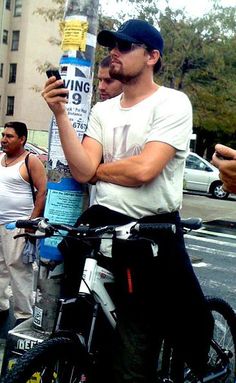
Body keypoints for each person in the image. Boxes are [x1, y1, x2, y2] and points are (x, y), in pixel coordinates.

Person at [42, 19, 213, 383]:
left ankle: (199, 368)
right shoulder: (103, 111)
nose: (113, 53)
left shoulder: (172, 102)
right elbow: (83, 166)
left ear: (152, 56)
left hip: (154, 230)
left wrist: (99, 169)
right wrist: (60, 114)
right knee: (86, 318)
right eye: (111, 47)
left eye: (124, 46)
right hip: (104, 226)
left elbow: (144, 170)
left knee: (157, 331)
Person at [0, 121, 47, 327]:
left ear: (22, 139)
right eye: (3, 135)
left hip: (17, 226)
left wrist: (30, 222)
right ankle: (1, 307)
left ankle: (24, 317)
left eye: (9, 136)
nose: (4, 139)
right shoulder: (1, 159)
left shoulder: (31, 161)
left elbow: (43, 192)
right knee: (0, 269)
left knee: (18, 271)